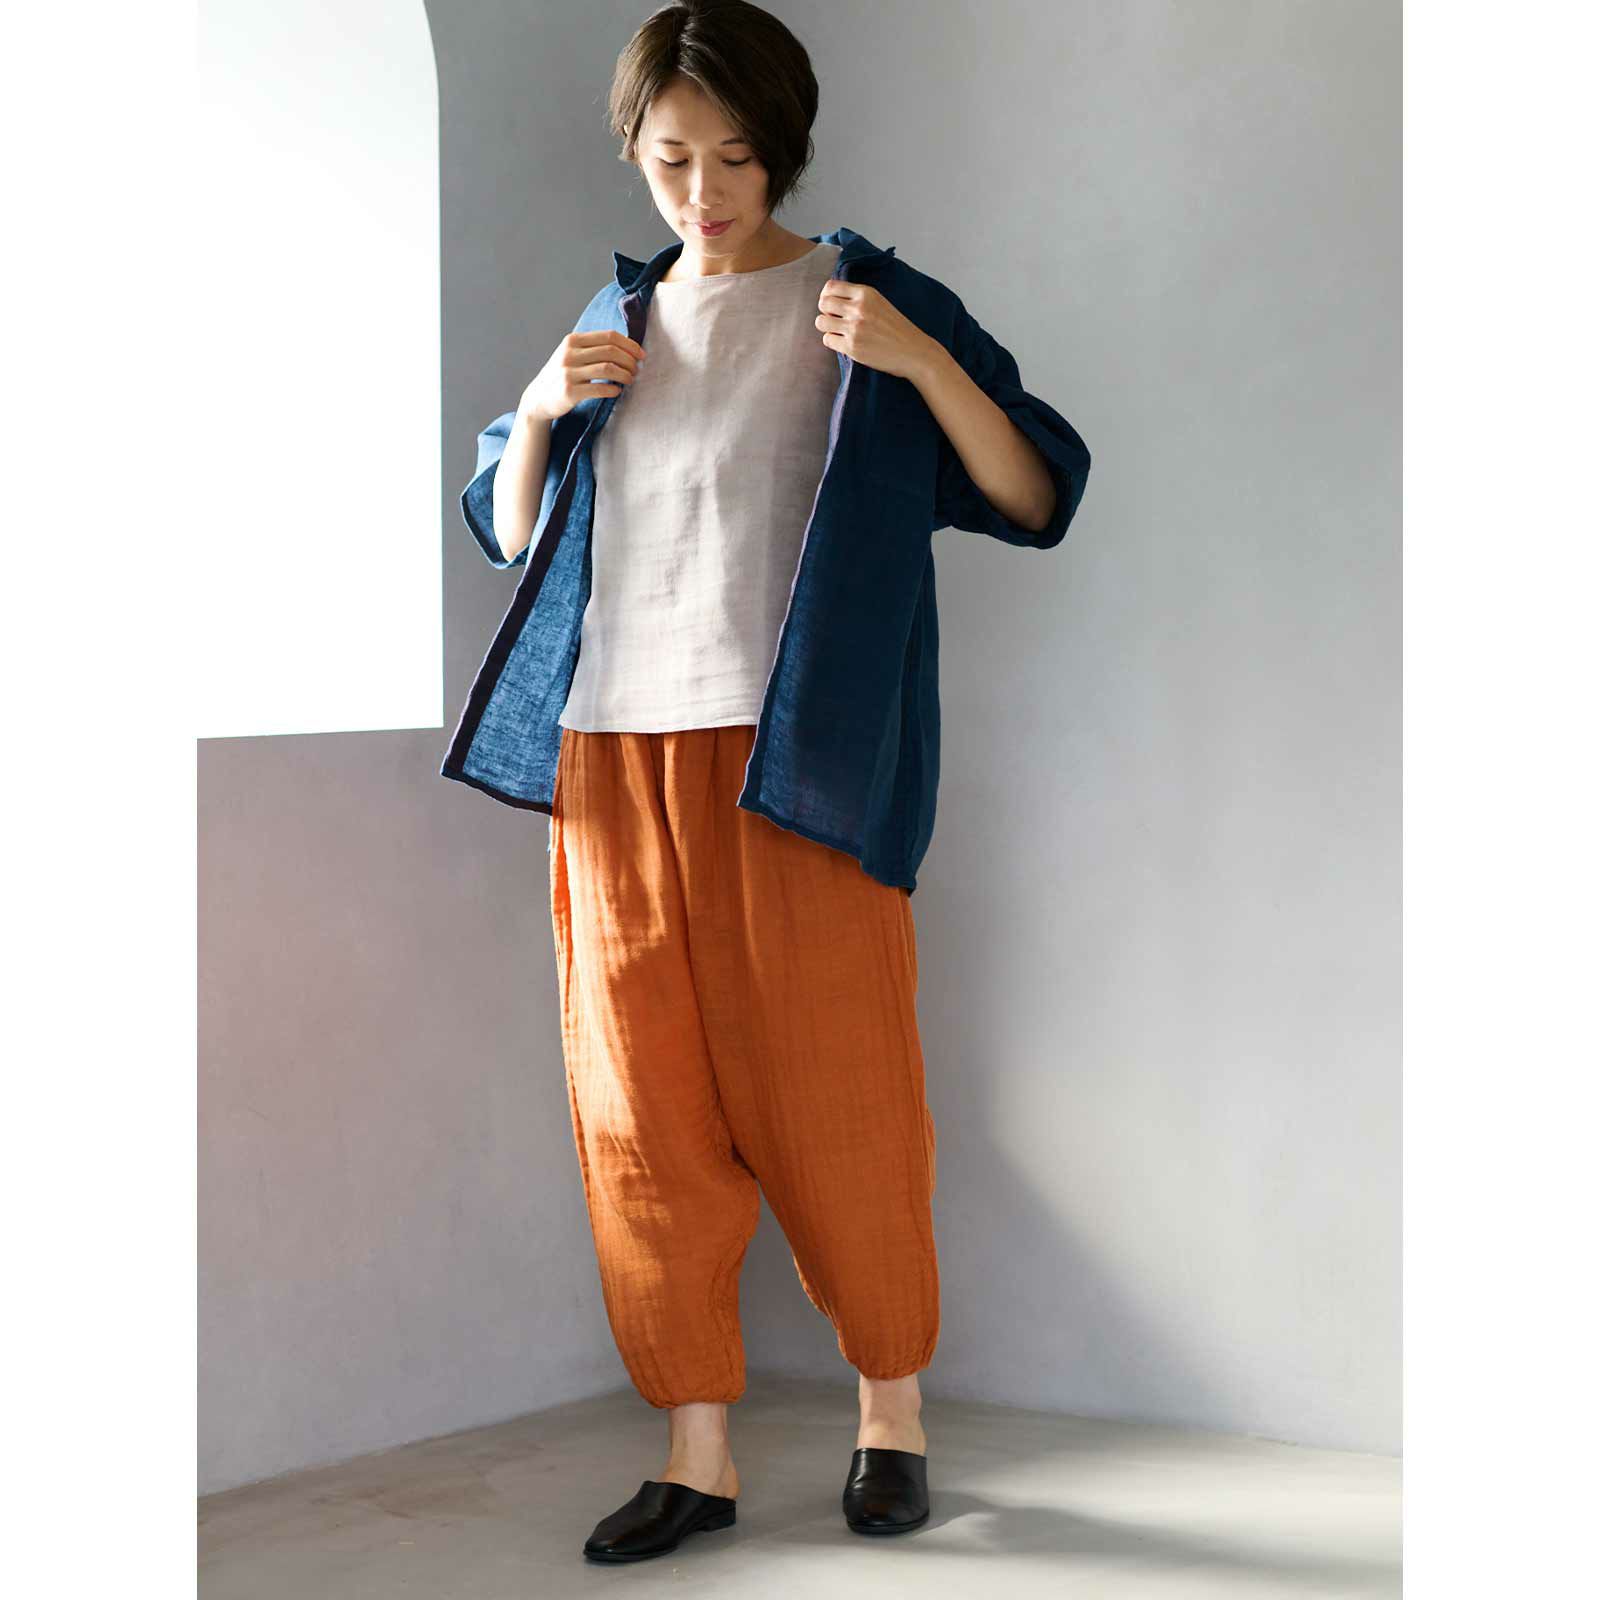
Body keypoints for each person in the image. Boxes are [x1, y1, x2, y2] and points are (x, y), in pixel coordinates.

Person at [443, 0, 1091, 1565]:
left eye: (735, 156)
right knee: (641, 1113)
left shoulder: (856, 298)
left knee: (837, 1087)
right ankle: (698, 1454)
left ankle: (891, 1420)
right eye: (673, 158)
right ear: (635, 152)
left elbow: (1034, 490)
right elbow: (511, 531)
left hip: (790, 757)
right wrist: (541, 409)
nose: (705, 190)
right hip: (611, 755)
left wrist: (918, 360)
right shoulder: (613, 320)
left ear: (781, 150)